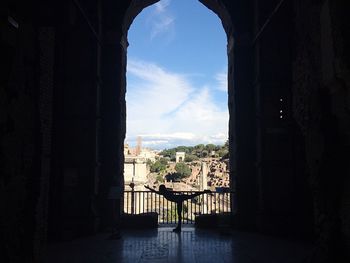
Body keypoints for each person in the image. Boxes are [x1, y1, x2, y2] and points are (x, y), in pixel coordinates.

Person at [144, 184, 211, 232]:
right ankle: (204, 192)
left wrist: (148, 188)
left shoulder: (163, 193)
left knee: (180, 213)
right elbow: (173, 192)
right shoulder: (166, 192)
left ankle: (179, 227)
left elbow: (154, 191)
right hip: (179, 199)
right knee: (191, 196)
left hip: (178, 199)